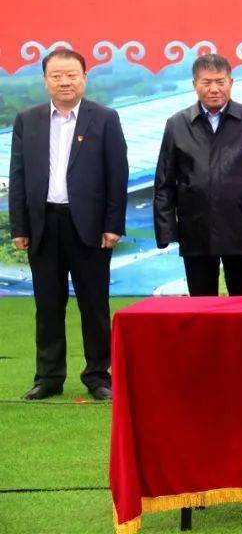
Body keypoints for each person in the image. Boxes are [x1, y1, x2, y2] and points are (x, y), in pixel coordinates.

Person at [8, 48, 128, 401]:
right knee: (48, 305)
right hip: (44, 224)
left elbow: (117, 175)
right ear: (45, 80)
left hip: (89, 227)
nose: (64, 81)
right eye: (57, 75)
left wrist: (113, 225)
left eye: (71, 75)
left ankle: (97, 375)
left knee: (94, 304)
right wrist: (20, 227)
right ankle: (48, 377)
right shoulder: (27, 120)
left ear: (84, 78)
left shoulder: (104, 118)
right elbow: (18, 176)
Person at [153, 54, 242, 296]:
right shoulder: (177, 124)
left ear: (231, 82)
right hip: (195, 229)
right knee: (202, 306)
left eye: (220, 82)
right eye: (206, 82)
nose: (214, 89)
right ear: (194, 85)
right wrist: (166, 230)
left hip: (241, 227)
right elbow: (164, 183)